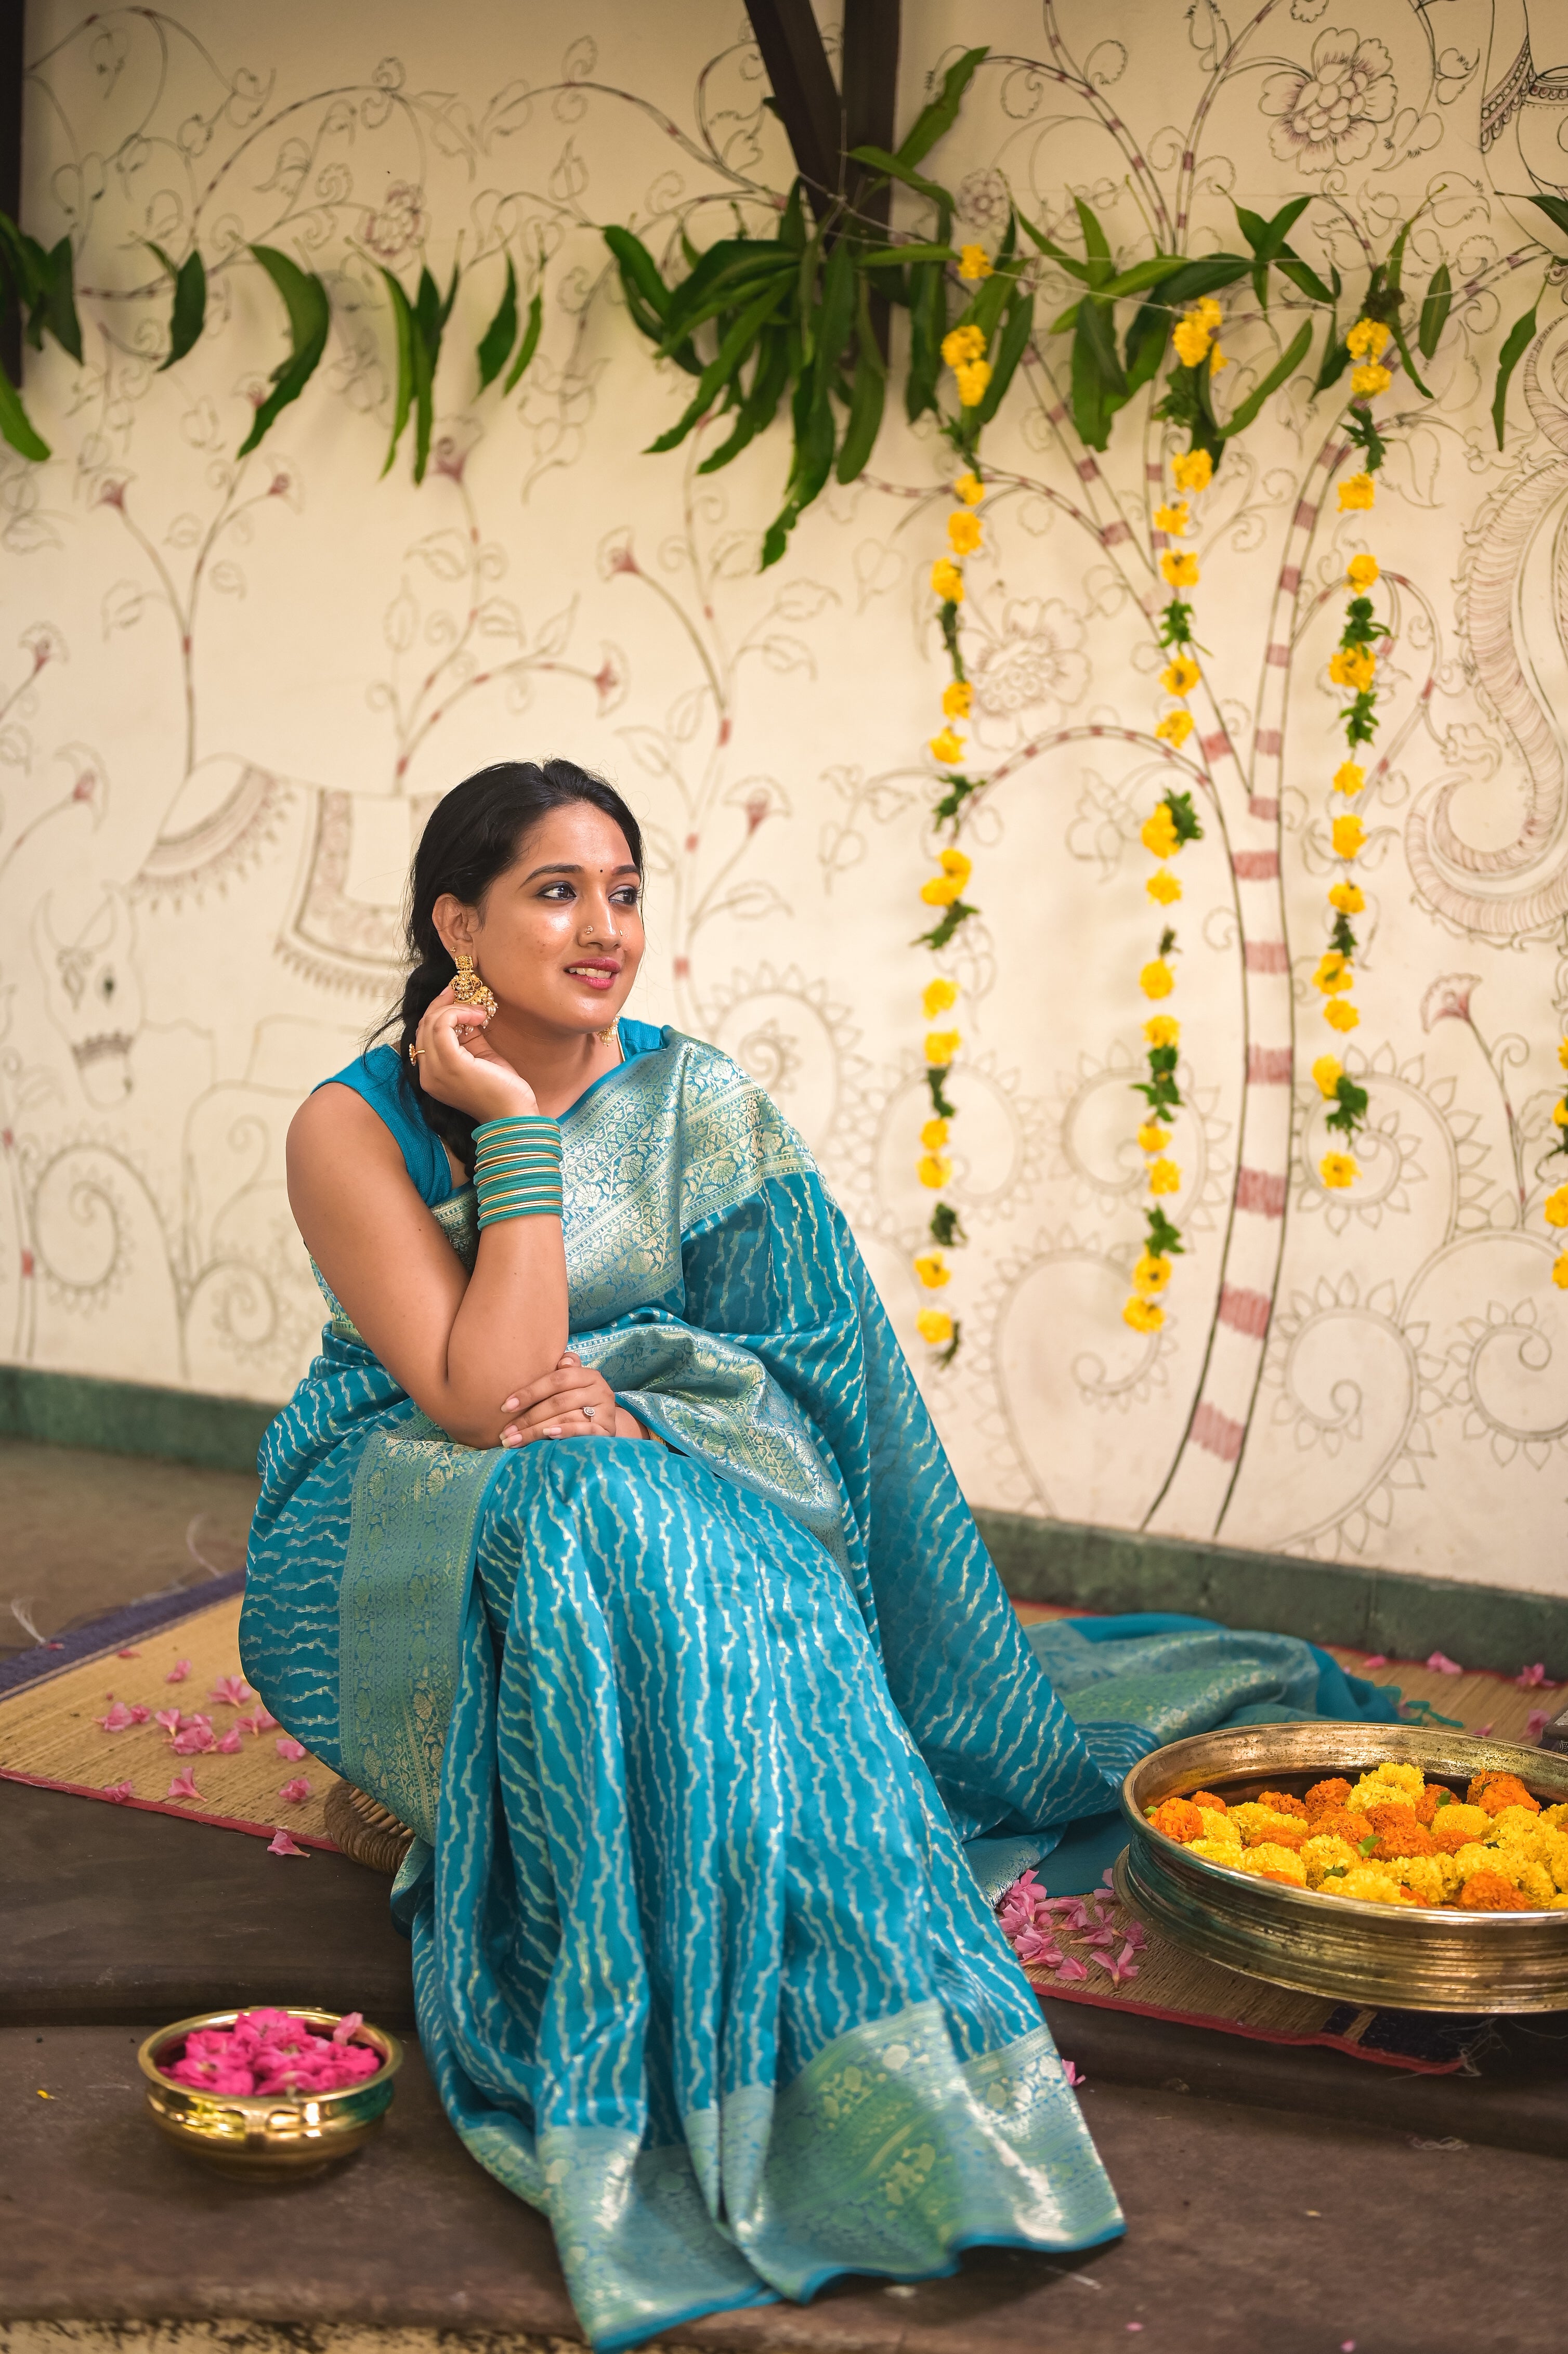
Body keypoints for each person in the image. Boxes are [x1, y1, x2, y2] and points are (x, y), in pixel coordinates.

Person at [241, 757, 1402, 2348]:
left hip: (639, 1463)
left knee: (629, 1521)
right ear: (458, 920)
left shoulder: (697, 1101)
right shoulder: (351, 1122)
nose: (606, 931)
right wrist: (510, 1133)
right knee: (587, 1516)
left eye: (627, 891)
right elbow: (476, 1394)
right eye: (557, 892)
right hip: (385, 1518)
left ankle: (830, 2006)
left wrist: (652, 1410)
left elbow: (816, 1371)